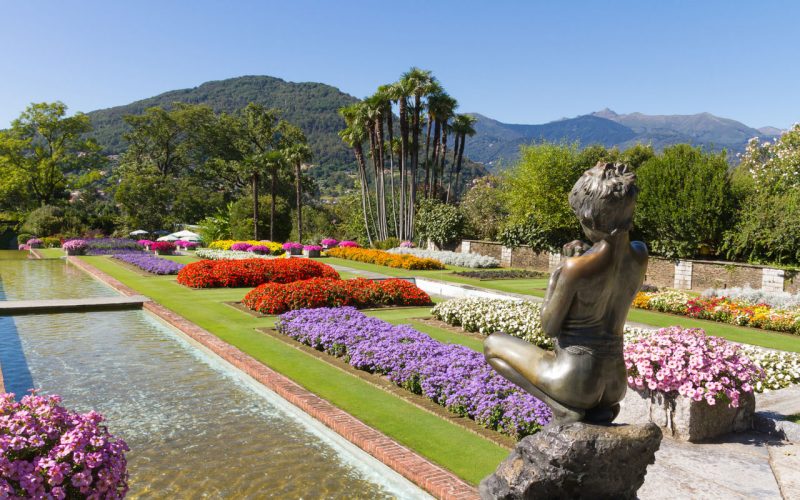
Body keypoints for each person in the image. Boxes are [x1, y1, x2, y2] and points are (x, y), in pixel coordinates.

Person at [484, 162, 648, 423]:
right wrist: (585, 252)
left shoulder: (575, 268)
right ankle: (600, 409)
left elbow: (549, 326)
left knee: (492, 344)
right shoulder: (640, 254)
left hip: (574, 382)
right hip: (616, 383)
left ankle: (562, 407)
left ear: (588, 218)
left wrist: (559, 273)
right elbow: (610, 265)